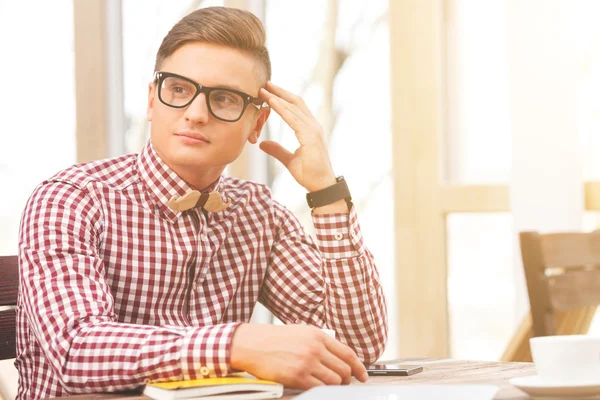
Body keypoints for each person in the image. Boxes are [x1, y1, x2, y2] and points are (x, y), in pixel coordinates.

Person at [15, 6, 388, 400]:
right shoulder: (71, 199)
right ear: (152, 101)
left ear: (256, 125)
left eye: (224, 99)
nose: (195, 114)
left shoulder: (257, 214)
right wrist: (236, 345)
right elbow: (77, 350)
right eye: (178, 89)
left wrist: (326, 192)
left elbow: (356, 347)